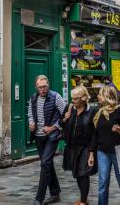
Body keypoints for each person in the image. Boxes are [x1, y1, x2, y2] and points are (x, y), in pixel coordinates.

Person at [89, 85, 120, 205]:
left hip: (119, 151)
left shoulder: (119, 111)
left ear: (107, 96)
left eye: (100, 94)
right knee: (103, 182)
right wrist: (91, 153)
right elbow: (94, 134)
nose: (98, 96)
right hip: (102, 151)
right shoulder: (97, 112)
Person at [28, 75, 66, 205]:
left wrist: (53, 128)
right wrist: (31, 123)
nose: (43, 89)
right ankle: (55, 194)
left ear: (48, 85)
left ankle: (39, 198)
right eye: (40, 87)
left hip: (51, 136)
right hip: (38, 137)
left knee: (44, 163)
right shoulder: (33, 98)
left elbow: (66, 115)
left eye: (45, 87)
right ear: (36, 87)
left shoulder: (56, 97)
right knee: (47, 164)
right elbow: (30, 113)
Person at [61, 85, 97, 205]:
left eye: (76, 98)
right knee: (76, 173)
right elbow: (62, 124)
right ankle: (84, 199)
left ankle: (82, 201)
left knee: (83, 174)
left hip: (85, 147)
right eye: (73, 98)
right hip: (72, 147)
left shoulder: (92, 111)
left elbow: (94, 134)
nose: (73, 101)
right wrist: (64, 120)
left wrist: (92, 152)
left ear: (83, 98)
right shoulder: (69, 108)